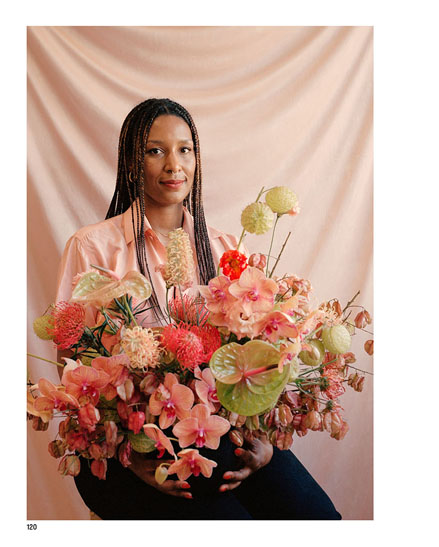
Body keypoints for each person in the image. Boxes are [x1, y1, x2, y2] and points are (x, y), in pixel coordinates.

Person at [55, 98, 341, 519]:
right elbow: (69, 363)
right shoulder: (93, 247)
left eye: (184, 149)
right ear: (132, 163)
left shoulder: (227, 250)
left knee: (321, 520)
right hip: (130, 450)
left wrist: (261, 441)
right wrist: (133, 458)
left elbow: (258, 357)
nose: (174, 164)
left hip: (220, 437)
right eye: (155, 151)